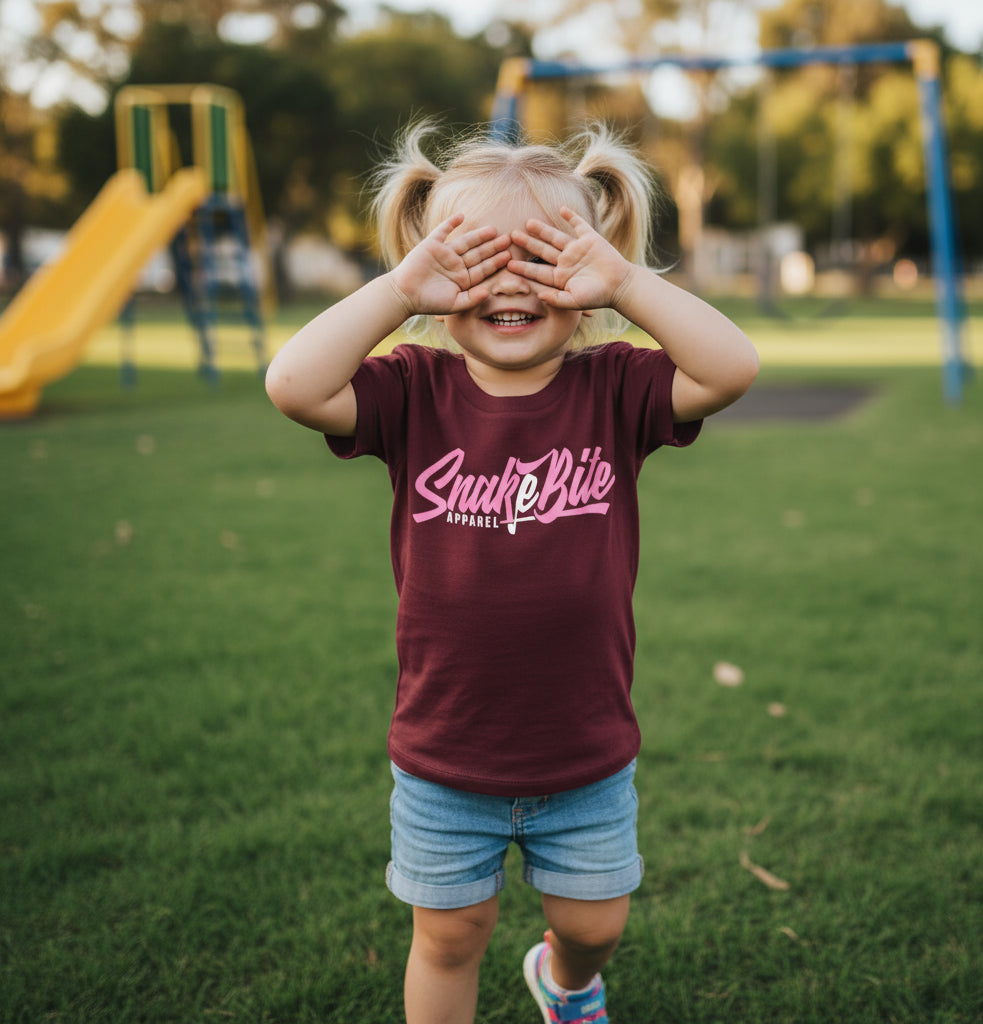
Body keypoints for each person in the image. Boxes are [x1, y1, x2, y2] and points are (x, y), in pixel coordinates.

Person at [265, 120, 759, 1024]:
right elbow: (294, 386)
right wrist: (399, 291)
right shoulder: (411, 390)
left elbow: (732, 367)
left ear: (587, 271)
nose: (508, 286)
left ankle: (566, 983)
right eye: (475, 260)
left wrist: (626, 282)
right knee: (449, 937)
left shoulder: (615, 388)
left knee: (594, 924)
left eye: (540, 259)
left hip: (585, 754)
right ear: (433, 273)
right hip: (446, 755)